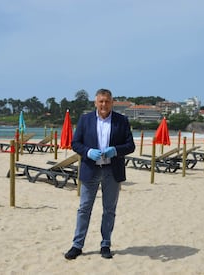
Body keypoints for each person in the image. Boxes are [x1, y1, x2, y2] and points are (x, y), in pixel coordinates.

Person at [64, 88, 136, 260]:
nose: (104, 104)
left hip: (112, 170)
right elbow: (75, 143)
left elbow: (130, 145)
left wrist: (116, 150)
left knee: (109, 210)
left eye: (107, 101)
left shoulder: (122, 120)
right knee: (84, 209)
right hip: (91, 169)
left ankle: (105, 244)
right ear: (95, 102)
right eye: (101, 101)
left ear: (112, 102)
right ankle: (77, 245)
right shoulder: (85, 119)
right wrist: (88, 152)